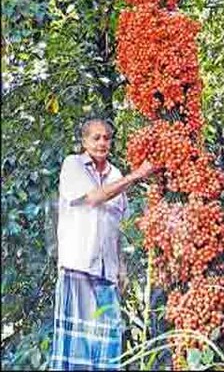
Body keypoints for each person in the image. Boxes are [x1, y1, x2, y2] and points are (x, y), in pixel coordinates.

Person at [50, 118, 154, 371]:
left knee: (108, 348)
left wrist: (122, 268)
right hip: (79, 267)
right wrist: (139, 174)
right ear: (84, 142)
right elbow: (95, 197)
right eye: (95, 138)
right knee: (78, 349)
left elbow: (118, 228)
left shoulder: (116, 175)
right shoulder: (72, 165)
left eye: (107, 137)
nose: (102, 142)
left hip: (107, 274)